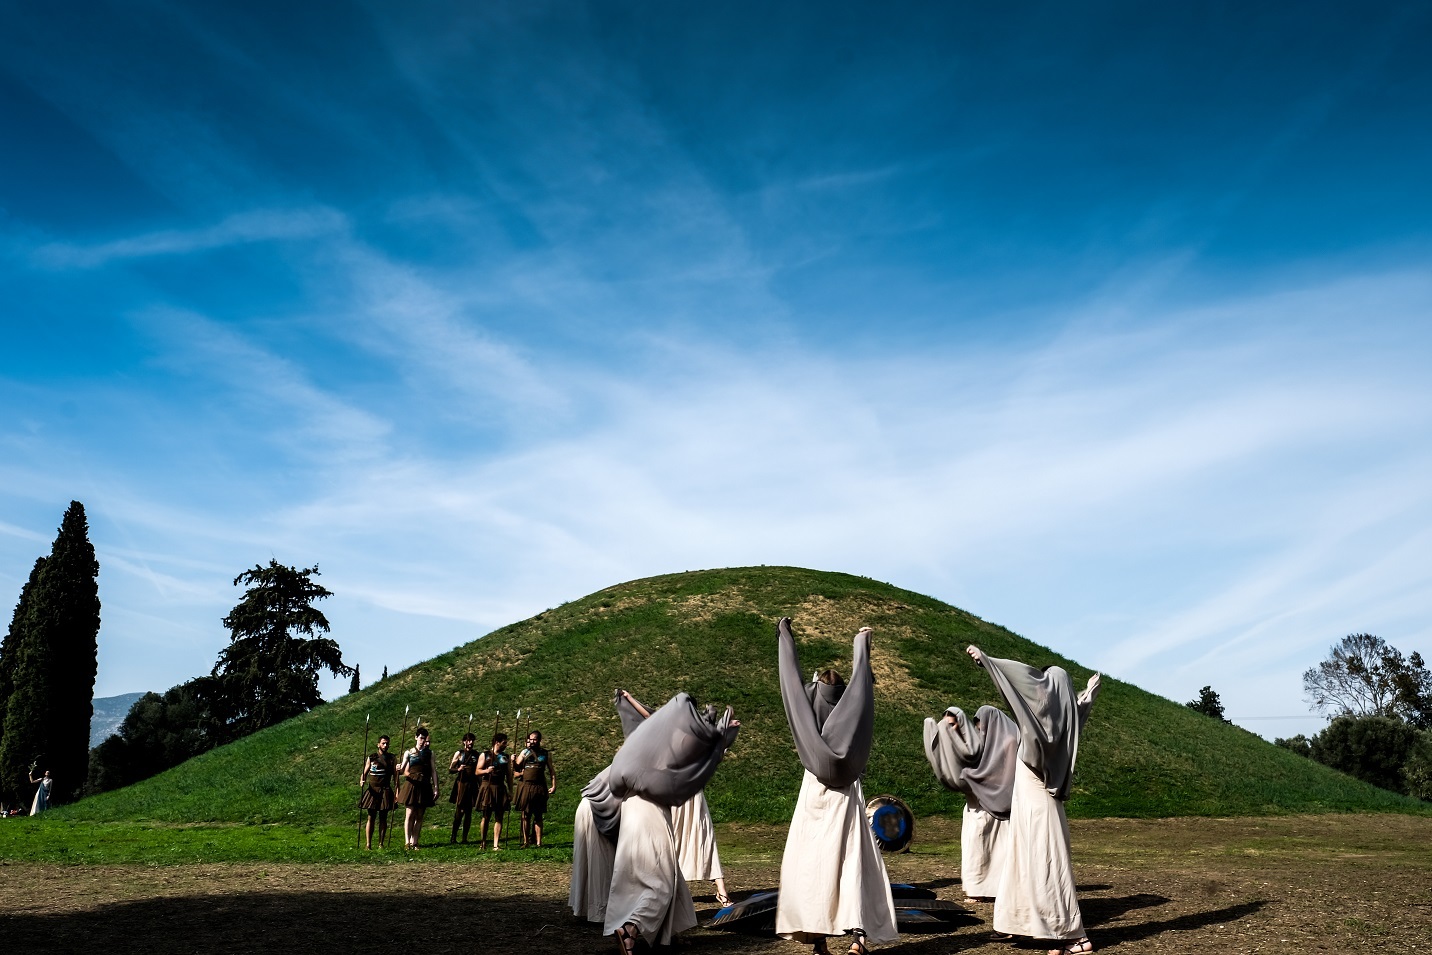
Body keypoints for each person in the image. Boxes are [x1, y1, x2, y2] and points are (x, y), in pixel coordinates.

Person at [967, 645, 1101, 955]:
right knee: (1025, 859)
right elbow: (1072, 712)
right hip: (1028, 796)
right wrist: (1087, 696)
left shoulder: (1041, 718)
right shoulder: (1057, 719)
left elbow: (1019, 686)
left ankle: (1071, 936)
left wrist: (988, 661)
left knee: (1046, 861)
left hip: (1038, 796)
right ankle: (1031, 926)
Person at [776, 618, 897, 955]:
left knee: (813, 865)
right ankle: (858, 939)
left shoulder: (808, 704)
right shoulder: (853, 705)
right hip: (847, 794)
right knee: (851, 863)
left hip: (813, 792)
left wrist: (785, 636)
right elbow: (864, 681)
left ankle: (820, 942)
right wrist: (863, 645)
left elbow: (789, 680)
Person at [602, 692, 740, 953]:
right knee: (661, 880)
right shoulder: (673, 741)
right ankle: (629, 928)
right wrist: (721, 738)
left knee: (653, 874)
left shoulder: (647, 738)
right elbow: (696, 757)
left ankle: (673, 933)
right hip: (650, 811)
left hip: (631, 807)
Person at [617, 688, 735, 907]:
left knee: (704, 835)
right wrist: (630, 699)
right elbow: (649, 716)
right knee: (674, 839)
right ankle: (671, 887)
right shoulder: (670, 727)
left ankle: (721, 890)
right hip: (675, 791)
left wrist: (727, 730)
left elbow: (716, 744)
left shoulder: (699, 730)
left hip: (694, 792)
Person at [923, 705, 1019, 902]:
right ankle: (977, 888)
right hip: (977, 804)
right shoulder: (978, 741)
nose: (979, 729)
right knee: (975, 847)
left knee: (995, 849)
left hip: (996, 804)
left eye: (981, 724)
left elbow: (1004, 772)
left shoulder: (1008, 742)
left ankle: (993, 888)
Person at [396, 726, 439, 850]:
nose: (422, 741)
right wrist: (398, 768)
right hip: (412, 784)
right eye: (420, 738)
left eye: (424, 738)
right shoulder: (409, 752)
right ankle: (407, 841)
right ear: (416, 738)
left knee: (420, 815)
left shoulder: (430, 753)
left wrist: (436, 787)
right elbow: (402, 770)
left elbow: (433, 771)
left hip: (424, 784)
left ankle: (415, 842)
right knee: (409, 813)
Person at [513, 730, 555, 848]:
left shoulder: (545, 754)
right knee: (525, 814)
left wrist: (554, 785)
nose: (532, 741)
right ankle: (526, 841)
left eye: (534, 739)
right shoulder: (525, 752)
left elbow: (551, 770)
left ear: (539, 740)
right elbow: (516, 767)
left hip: (539, 786)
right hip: (526, 786)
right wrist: (513, 760)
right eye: (530, 739)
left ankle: (538, 842)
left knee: (538, 815)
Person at [359, 735, 398, 849]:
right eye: (383, 743)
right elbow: (365, 772)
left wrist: (397, 790)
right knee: (371, 817)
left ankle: (381, 844)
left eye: (387, 743)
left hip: (385, 790)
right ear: (378, 744)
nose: (385, 745)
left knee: (383, 817)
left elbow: (396, 776)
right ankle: (368, 844)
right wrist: (362, 780)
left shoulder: (392, 758)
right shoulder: (372, 757)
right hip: (373, 790)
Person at [474, 732, 511, 849]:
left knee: (499, 816)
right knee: (486, 815)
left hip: (500, 787)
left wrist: (511, 791)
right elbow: (477, 771)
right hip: (488, 786)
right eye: (504, 743)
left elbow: (509, 775)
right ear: (497, 742)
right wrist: (486, 771)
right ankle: (483, 842)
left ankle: (496, 844)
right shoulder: (485, 755)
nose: (506, 745)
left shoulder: (506, 757)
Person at [448, 732, 480, 844]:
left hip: (472, 784)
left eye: (472, 740)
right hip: (461, 784)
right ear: (464, 742)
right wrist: (458, 769)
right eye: (468, 740)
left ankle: (465, 838)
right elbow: (450, 769)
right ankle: (453, 836)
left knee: (469, 812)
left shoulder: (476, 754)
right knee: (459, 811)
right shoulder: (459, 754)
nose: (470, 742)